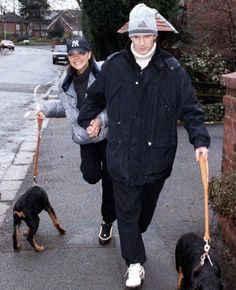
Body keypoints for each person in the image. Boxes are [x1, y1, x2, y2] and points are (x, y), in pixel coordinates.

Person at [78, 3, 210, 289]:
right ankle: (134, 263)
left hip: (156, 158)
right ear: (130, 37)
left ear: (155, 36)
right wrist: (91, 119)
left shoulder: (172, 70)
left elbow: (191, 109)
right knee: (127, 212)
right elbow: (93, 98)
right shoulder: (114, 66)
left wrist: (200, 141)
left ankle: (132, 237)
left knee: (142, 216)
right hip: (121, 157)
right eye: (136, 36)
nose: (141, 42)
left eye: (146, 36)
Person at [37, 37, 116, 245]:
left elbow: (116, 104)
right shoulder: (65, 83)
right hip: (85, 138)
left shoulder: (104, 75)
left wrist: (99, 120)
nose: (76, 58)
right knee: (91, 176)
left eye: (81, 53)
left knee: (110, 181)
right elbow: (67, 108)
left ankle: (107, 222)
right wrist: (44, 110)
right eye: (72, 54)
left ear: (89, 54)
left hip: (109, 135)